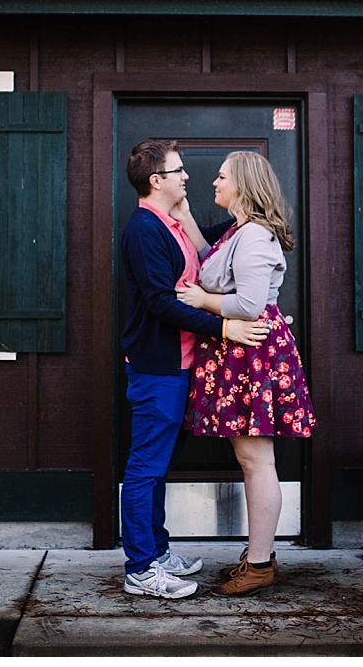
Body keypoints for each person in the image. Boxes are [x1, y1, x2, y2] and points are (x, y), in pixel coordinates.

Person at [118, 138, 270, 600]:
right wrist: (225, 329)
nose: (188, 176)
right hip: (157, 368)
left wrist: (255, 212)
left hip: (181, 366)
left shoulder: (173, 224)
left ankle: (159, 552)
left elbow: (222, 240)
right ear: (156, 180)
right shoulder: (145, 230)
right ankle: (141, 569)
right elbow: (162, 304)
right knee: (145, 468)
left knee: (158, 466)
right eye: (178, 170)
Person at [175, 151, 315, 596]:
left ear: (243, 185)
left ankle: (259, 564)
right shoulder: (239, 231)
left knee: (256, 461)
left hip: (249, 352)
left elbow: (250, 305)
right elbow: (208, 259)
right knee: (251, 460)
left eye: (221, 177)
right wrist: (182, 215)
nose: (213, 182)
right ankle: (258, 557)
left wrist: (202, 302)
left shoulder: (253, 235)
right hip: (238, 354)